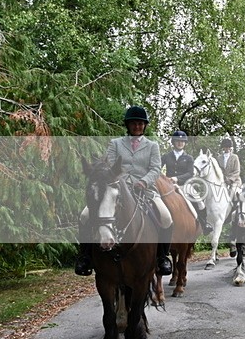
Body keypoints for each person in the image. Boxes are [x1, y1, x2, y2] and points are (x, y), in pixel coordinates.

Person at [74, 106, 173, 276]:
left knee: (166, 217)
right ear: (128, 125)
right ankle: (85, 257)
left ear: (145, 126)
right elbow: (110, 166)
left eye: (141, 123)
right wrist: (122, 182)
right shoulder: (115, 143)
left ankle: (162, 257)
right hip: (115, 188)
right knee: (84, 216)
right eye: (134, 123)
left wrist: (143, 181)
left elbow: (155, 169)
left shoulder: (152, 146)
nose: (137, 126)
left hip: (145, 189)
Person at [163, 130, 212, 234]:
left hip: (183, 185)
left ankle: (204, 224)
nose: (180, 143)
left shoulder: (189, 158)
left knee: (199, 202)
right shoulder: (167, 156)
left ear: (185, 143)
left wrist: (177, 178)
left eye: (182, 141)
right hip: (168, 185)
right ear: (174, 142)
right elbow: (157, 169)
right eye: (177, 141)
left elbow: (190, 173)